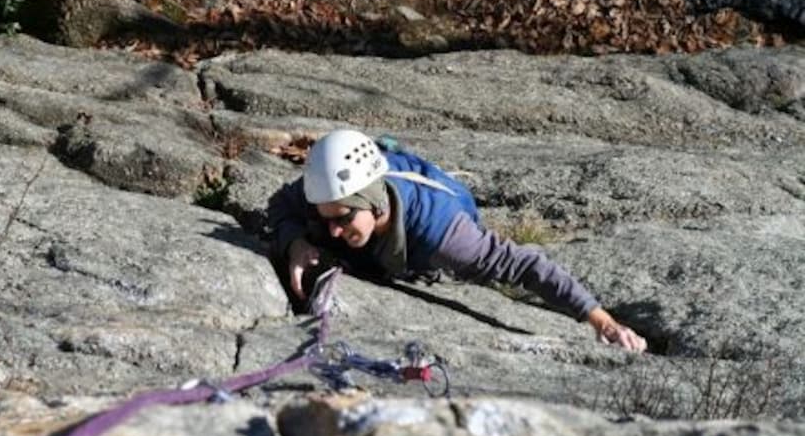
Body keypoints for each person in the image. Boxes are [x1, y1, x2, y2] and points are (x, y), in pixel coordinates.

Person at [267, 129, 647, 352]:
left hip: (433, 222)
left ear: (374, 203)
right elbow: (281, 204)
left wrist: (603, 322)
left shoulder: (446, 236)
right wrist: (295, 241)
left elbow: (525, 265)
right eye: (324, 217)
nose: (332, 229)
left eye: (344, 219)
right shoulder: (328, 194)